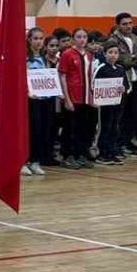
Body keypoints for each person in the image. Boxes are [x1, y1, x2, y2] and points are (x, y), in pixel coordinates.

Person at [58, 28, 95, 169]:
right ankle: (67, 156)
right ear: (73, 39)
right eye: (79, 37)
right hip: (73, 97)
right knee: (69, 128)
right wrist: (67, 99)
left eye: (84, 36)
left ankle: (80, 154)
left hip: (86, 98)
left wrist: (93, 97)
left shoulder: (89, 55)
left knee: (83, 128)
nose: (82, 39)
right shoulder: (67, 54)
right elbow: (63, 76)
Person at [110, 13, 137, 153]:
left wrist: (133, 58)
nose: (128, 26)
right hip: (123, 82)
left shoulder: (136, 38)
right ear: (118, 25)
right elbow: (121, 60)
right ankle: (118, 144)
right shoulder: (113, 40)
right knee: (120, 115)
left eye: (130, 23)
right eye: (125, 24)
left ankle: (127, 141)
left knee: (133, 114)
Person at [24, 28, 53, 176]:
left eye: (41, 38)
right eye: (35, 38)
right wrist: (28, 92)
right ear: (29, 40)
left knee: (41, 131)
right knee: (30, 131)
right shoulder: (25, 58)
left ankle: (35, 161)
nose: (38, 41)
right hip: (30, 100)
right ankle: (23, 161)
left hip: (43, 99)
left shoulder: (44, 58)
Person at [92, 42, 126, 166]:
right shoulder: (101, 68)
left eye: (115, 53)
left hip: (116, 104)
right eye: (110, 52)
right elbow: (94, 84)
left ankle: (111, 151)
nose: (113, 55)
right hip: (104, 106)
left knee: (114, 128)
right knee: (104, 128)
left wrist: (123, 88)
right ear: (105, 53)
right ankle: (101, 153)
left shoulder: (120, 69)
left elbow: (125, 85)